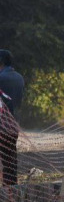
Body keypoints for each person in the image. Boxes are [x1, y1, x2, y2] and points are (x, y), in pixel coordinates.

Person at [0, 50, 22, 187]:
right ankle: (11, 189)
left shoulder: (1, 78)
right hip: (14, 124)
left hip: (1, 122)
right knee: (10, 158)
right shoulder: (19, 77)